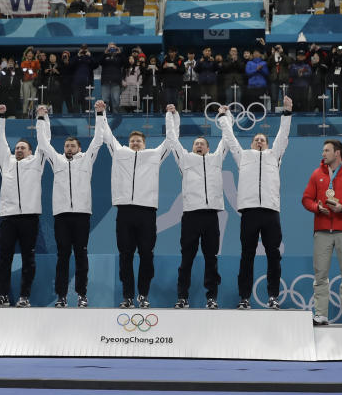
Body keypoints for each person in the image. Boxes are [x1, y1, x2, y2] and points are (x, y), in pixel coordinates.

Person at [98, 100, 175, 308]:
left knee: (146, 256)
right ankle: (127, 296)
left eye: (138, 141)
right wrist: (101, 112)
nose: (134, 144)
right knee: (126, 256)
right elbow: (107, 136)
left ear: (145, 144)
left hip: (147, 212)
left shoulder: (154, 155)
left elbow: (170, 141)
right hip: (124, 211)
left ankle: (143, 294)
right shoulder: (119, 152)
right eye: (132, 141)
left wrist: (171, 115)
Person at [219, 96, 293, 309]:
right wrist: (224, 117)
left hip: (271, 212)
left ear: (268, 145)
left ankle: (273, 297)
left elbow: (283, 136)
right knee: (247, 257)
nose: (259, 141)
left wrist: (287, 113)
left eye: (262, 139)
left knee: (273, 257)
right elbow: (231, 140)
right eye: (256, 139)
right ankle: (244, 297)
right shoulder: (243, 156)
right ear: (251, 144)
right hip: (249, 213)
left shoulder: (274, 155)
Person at [36, 103, 104, 307]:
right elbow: (42, 142)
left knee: (81, 256)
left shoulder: (87, 160)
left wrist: (100, 114)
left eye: (73, 146)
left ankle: (82, 295)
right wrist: (41, 118)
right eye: (66, 146)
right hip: (62, 216)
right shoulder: (56, 160)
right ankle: (61, 296)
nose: (69, 148)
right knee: (63, 256)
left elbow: (98, 139)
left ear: (79, 148)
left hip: (82, 215)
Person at [166, 104, 231, 309]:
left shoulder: (216, 159)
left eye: (202, 143)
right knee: (187, 260)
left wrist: (225, 115)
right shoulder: (184, 159)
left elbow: (227, 140)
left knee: (211, 260)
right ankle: (182, 297)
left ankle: (211, 297)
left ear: (208, 148)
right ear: (192, 147)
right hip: (191, 217)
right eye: (196, 143)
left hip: (211, 217)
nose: (199, 146)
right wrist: (171, 115)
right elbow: (172, 140)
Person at [301, 139, 342, 325]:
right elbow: (306, 199)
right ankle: (320, 314)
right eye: (323, 150)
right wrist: (316, 207)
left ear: (337, 153)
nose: (323, 154)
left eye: (327, 150)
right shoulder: (316, 174)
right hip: (322, 230)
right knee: (320, 274)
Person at [0, 104, 48, 308]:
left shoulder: (36, 163)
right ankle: (3, 295)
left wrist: (41, 119)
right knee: (4, 259)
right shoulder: (6, 163)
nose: (18, 149)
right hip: (8, 218)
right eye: (17, 148)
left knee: (28, 259)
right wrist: (0, 116)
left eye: (23, 147)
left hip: (29, 218)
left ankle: (24, 296)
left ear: (31, 152)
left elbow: (44, 142)